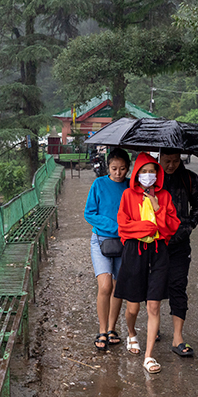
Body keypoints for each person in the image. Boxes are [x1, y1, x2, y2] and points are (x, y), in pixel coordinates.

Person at [114, 152, 180, 374]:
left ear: (158, 174)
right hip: (135, 252)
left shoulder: (164, 196)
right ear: (136, 174)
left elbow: (171, 227)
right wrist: (150, 228)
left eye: (152, 171)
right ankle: (131, 332)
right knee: (132, 307)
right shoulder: (128, 196)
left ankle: (149, 355)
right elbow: (123, 227)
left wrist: (157, 207)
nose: (148, 175)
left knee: (153, 305)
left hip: (159, 252)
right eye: (144, 171)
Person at [84, 148, 131, 351]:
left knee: (118, 286)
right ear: (108, 167)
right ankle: (102, 329)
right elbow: (89, 213)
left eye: (122, 169)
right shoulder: (99, 184)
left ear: (128, 168)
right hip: (102, 240)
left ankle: (112, 329)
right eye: (114, 168)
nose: (118, 173)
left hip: (125, 242)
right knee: (105, 286)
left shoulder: (131, 187)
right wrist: (115, 226)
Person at [159, 149, 198, 357]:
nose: (171, 165)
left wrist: (189, 225)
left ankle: (178, 336)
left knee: (178, 285)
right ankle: (155, 326)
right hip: (155, 242)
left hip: (180, 243)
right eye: (167, 161)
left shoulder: (189, 178)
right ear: (159, 158)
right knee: (155, 287)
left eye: (175, 161)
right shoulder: (151, 178)